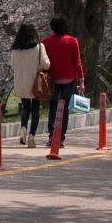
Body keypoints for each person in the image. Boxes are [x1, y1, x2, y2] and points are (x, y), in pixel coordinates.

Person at [41, 16, 85, 144]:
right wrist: (81, 80)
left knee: (53, 107)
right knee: (64, 109)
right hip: (69, 79)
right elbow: (77, 62)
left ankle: (51, 135)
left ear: (52, 27)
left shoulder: (46, 42)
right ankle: (61, 137)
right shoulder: (72, 41)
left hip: (53, 80)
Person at [10, 24, 50, 149]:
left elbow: (12, 65)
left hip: (21, 83)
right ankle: (32, 135)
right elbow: (46, 64)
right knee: (35, 109)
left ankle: (23, 129)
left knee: (25, 107)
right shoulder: (39, 47)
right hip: (35, 84)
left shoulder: (15, 50)